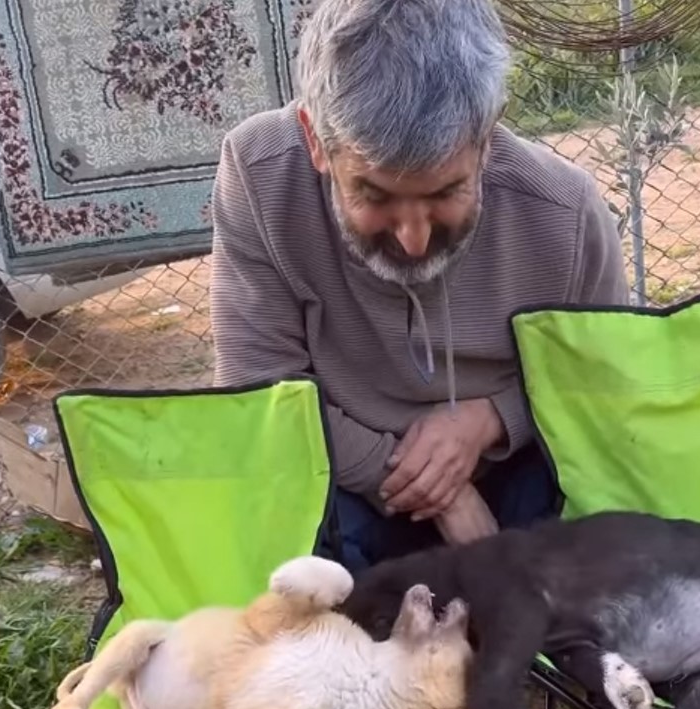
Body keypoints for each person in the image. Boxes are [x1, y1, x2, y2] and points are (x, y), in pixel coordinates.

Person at [210, 0, 629, 572]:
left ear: (487, 135)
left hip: (516, 485)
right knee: (273, 517)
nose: (412, 239)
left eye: (444, 194)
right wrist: (441, 492)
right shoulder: (259, 172)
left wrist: (493, 419)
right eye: (374, 195)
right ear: (314, 140)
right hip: (345, 482)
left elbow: (600, 388)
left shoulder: (565, 211)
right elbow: (259, 395)